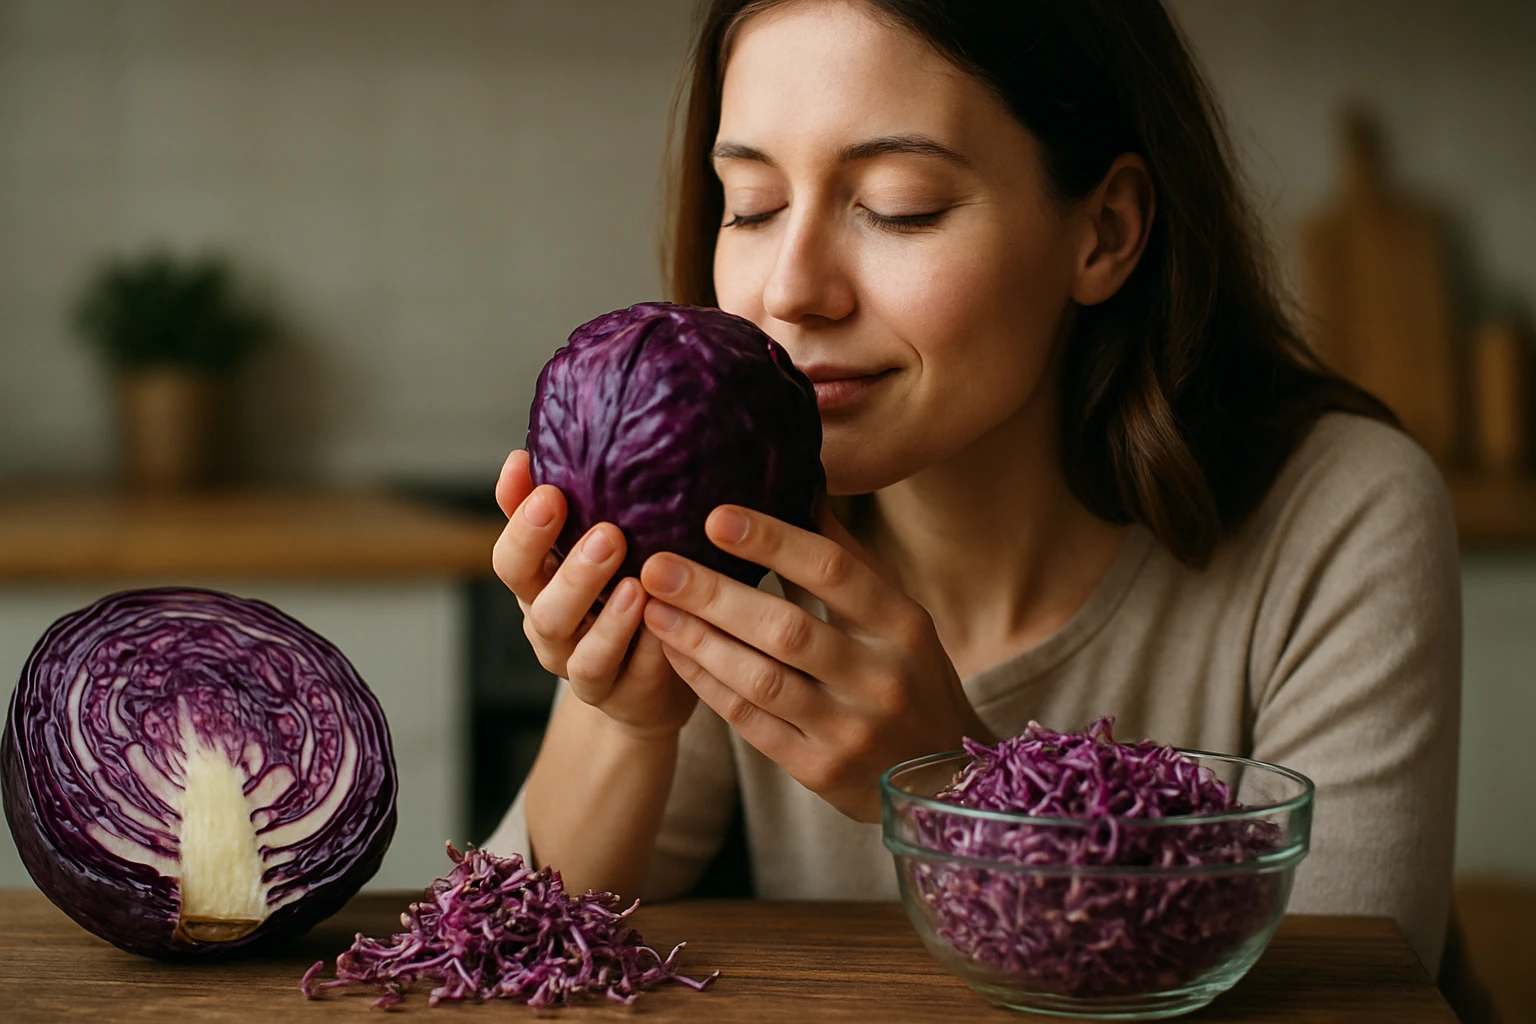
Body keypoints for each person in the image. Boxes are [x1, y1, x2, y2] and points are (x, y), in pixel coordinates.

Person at [486, 0, 1460, 976]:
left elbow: (1350, 991)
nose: (791, 290)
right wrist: (622, 711)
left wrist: (963, 791)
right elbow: (515, 943)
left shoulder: (1342, 513)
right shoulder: (735, 525)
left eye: (900, 204)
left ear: (1105, 232)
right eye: (751, 204)